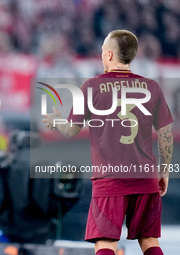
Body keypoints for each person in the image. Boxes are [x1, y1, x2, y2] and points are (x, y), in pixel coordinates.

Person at [43, 30, 173, 255]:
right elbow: (165, 133)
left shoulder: (92, 86)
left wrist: (57, 122)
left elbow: (72, 129)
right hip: (145, 176)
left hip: (109, 179)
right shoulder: (151, 87)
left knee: (105, 243)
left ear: (111, 55)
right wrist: (164, 170)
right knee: (150, 242)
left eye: (103, 52)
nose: (102, 56)